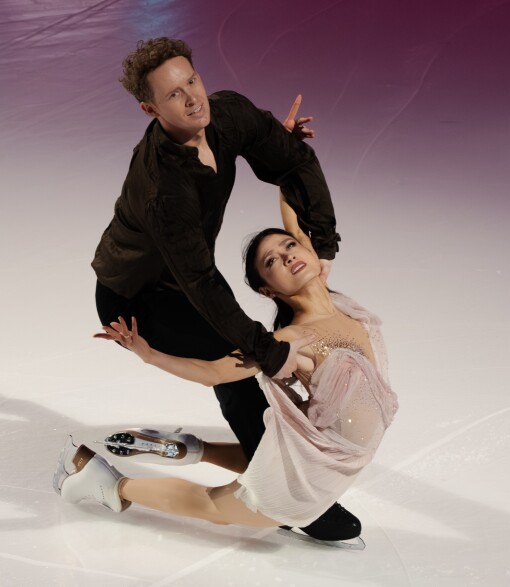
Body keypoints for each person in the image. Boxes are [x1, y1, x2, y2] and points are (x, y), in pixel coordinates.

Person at [90, 37, 356, 539]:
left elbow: (295, 161)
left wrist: (322, 243)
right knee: (239, 365)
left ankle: (271, 475)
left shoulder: (226, 115)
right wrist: (262, 348)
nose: (193, 99)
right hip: (136, 296)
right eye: (174, 95)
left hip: (184, 279)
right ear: (150, 108)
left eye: (192, 80)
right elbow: (203, 283)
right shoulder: (162, 186)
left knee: (250, 360)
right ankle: (292, 499)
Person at [56, 195, 398, 545]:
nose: (288, 256)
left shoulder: (340, 305)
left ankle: (192, 448)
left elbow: (295, 215)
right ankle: (105, 482)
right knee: (215, 508)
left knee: (274, 459)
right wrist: (149, 355)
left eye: (290, 246)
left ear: (309, 250)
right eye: (272, 261)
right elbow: (215, 373)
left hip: (322, 457)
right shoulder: (290, 341)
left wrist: (286, 158)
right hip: (311, 472)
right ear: (268, 289)